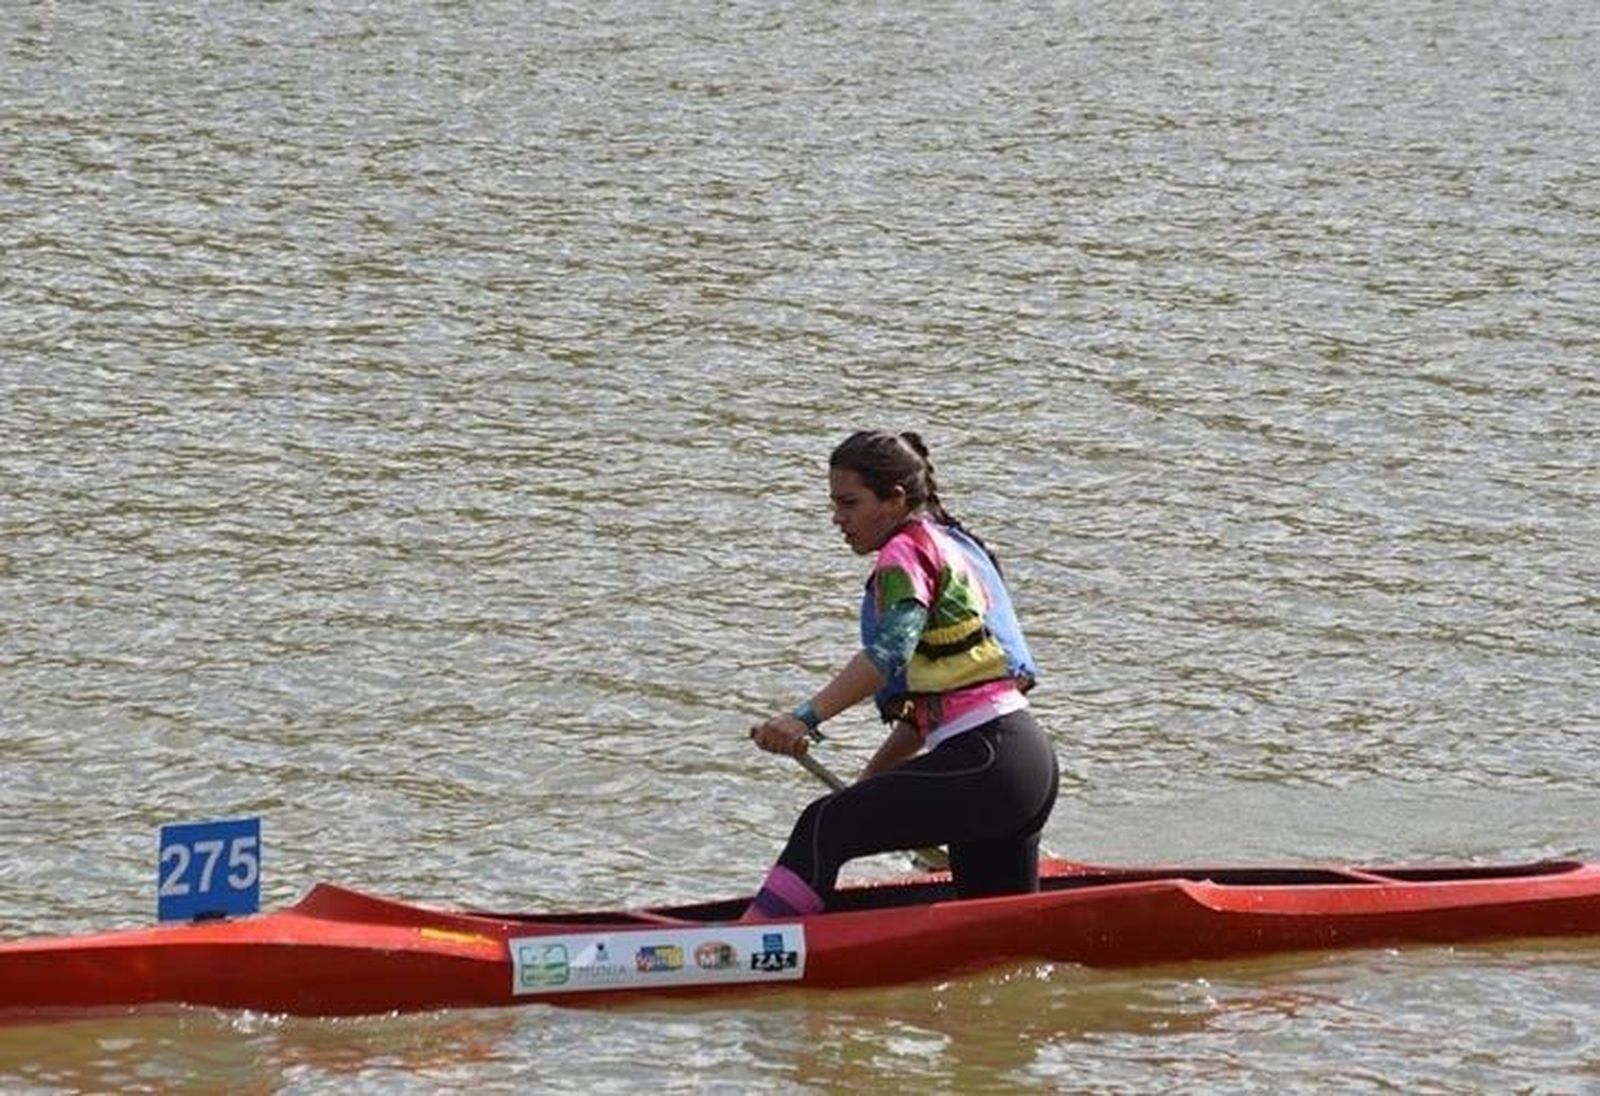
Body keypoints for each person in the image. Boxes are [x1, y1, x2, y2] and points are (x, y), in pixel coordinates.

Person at [744, 430, 1059, 919]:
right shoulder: (950, 543)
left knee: (824, 825)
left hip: (985, 763)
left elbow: (889, 652)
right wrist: (872, 785)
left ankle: (735, 948)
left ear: (894, 500)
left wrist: (804, 718)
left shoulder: (904, 554)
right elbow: (929, 712)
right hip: (1020, 763)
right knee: (998, 935)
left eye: (849, 503)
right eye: (834, 504)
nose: (837, 518)